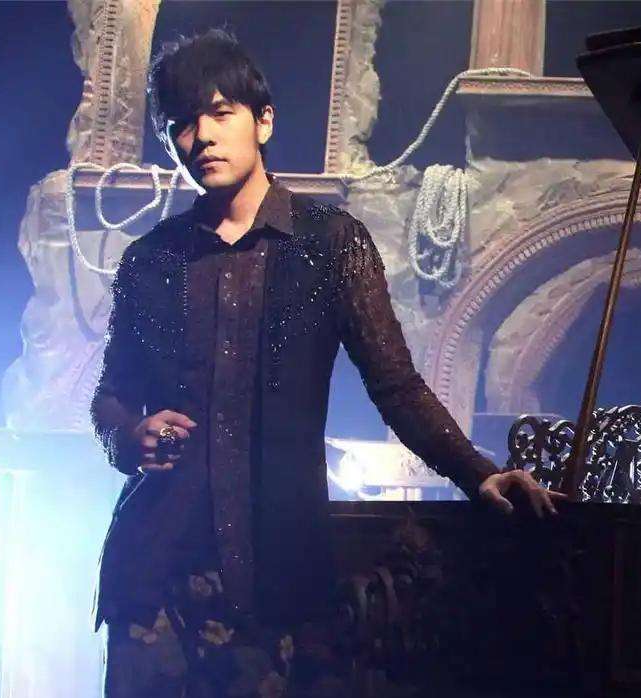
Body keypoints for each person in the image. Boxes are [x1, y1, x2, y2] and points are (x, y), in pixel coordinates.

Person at [90, 28, 564, 697]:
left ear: (264, 120)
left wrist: (478, 473)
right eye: (182, 125)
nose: (203, 137)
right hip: (155, 579)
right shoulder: (151, 259)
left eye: (221, 113)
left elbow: (395, 384)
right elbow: (110, 395)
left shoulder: (330, 245)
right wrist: (127, 436)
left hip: (277, 577)